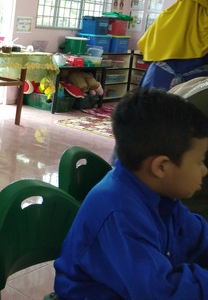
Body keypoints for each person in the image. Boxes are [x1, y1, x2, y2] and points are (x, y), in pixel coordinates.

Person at [54, 88, 208, 298]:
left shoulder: (161, 195)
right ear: (161, 167)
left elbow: (197, 236)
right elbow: (163, 293)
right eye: (199, 161)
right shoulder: (121, 214)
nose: (204, 170)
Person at [138, 0, 208, 90]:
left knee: (150, 101)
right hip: (195, 84)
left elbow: (145, 47)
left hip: (158, 78)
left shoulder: (164, 17)